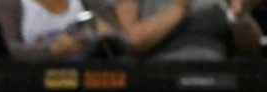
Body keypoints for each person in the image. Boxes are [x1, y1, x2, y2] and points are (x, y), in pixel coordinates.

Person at [109, 0, 264, 60]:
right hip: (160, 78)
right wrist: (181, 8)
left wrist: (238, 15)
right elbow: (132, 41)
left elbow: (251, 50)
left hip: (218, 82)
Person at [0, 0, 130, 60]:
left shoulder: (86, 2)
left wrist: (110, 37)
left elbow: (126, 43)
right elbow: (8, 49)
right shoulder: (8, 3)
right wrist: (53, 50)